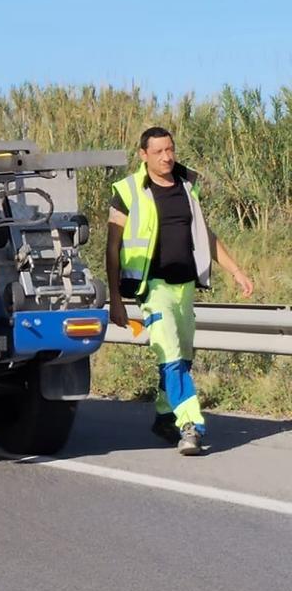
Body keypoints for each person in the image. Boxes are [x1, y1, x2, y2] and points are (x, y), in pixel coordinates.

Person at [106, 127, 253, 455]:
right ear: (143, 155)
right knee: (171, 356)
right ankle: (191, 426)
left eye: (170, 149)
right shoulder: (128, 191)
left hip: (185, 288)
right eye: (158, 151)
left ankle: (163, 416)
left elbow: (206, 235)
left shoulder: (188, 185)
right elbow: (112, 247)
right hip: (153, 288)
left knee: (182, 358)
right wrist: (116, 299)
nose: (167, 157)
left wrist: (237, 271)